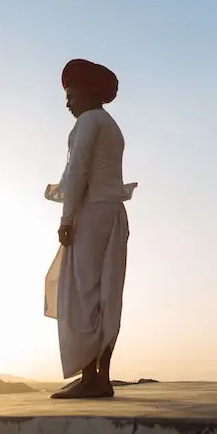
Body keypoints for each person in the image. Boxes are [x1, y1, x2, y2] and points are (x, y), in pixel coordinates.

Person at [42, 58, 136, 399]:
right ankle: (101, 377)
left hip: (92, 215)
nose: (67, 102)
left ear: (86, 92)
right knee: (107, 295)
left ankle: (89, 377)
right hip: (113, 214)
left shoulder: (86, 123)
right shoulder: (110, 124)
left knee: (82, 295)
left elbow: (78, 172)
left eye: (70, 94)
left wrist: (65, 220)